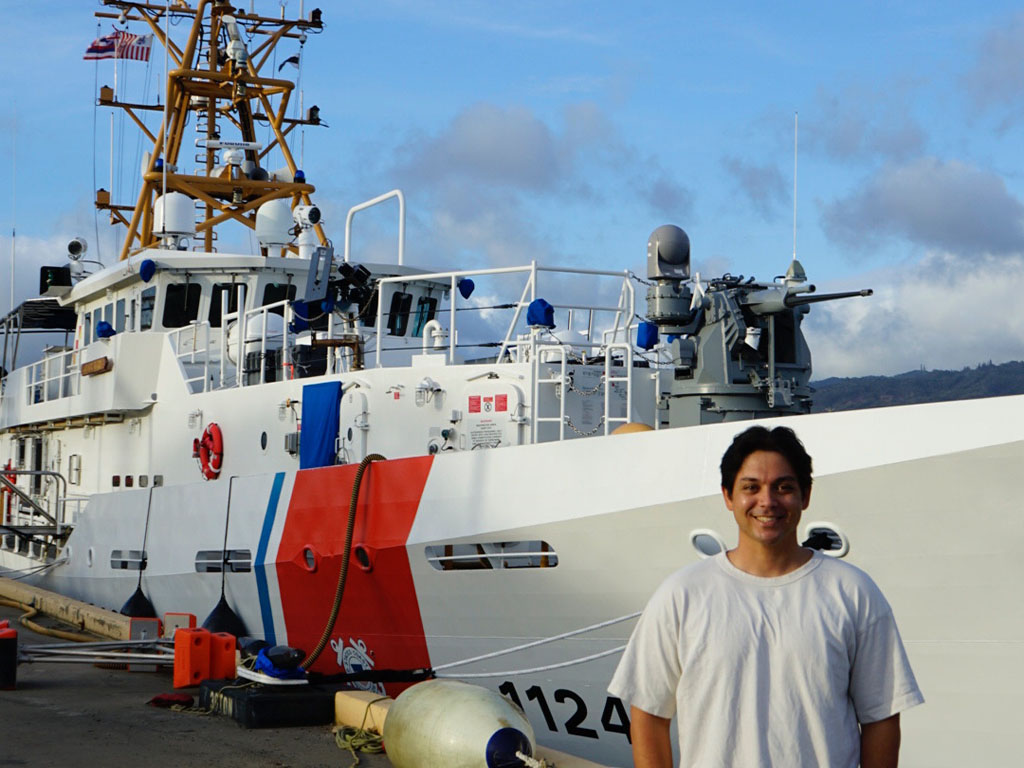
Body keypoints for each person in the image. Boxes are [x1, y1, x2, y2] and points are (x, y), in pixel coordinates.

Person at [608, 425, 923, 768]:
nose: (768, 502)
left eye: (784, 487)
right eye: (751, 487)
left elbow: (880, 718)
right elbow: (649, 717)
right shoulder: (681, 596)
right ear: (728, 496)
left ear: (806, 495)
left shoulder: (854, 593)